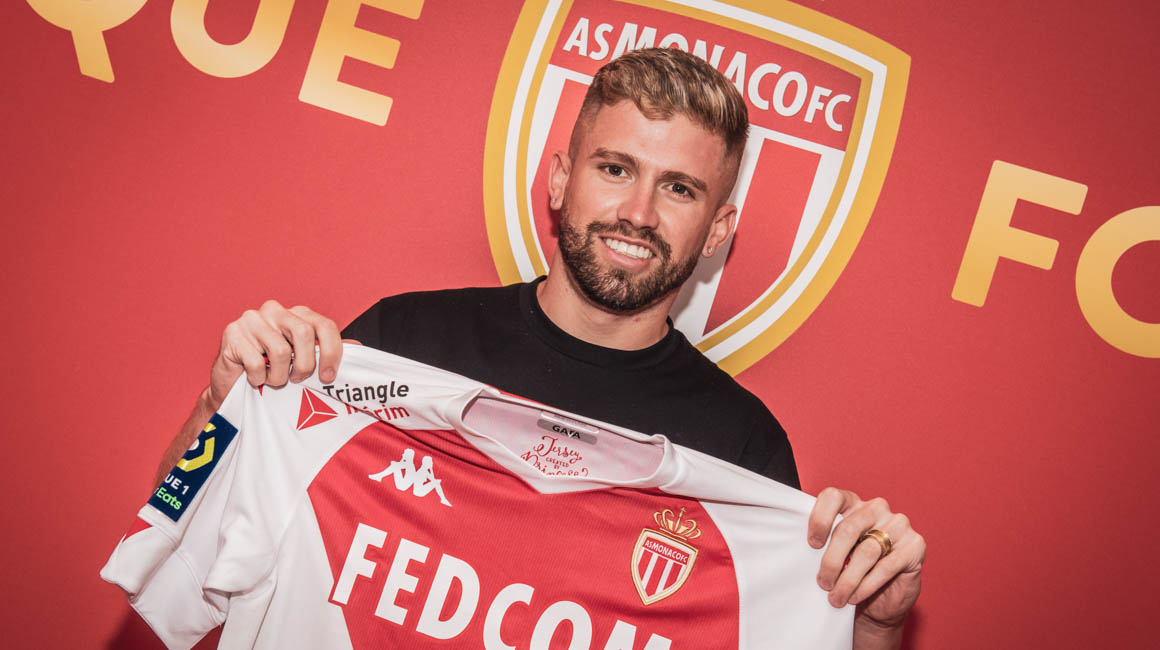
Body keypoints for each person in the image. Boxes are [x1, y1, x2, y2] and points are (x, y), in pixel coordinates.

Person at [156, 48, 924, 648]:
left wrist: (874, 623)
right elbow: (174, 522)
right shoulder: (398, 344)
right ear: (559, 180)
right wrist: (218, 410)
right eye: (615, 169)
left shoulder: (744, 450)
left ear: (718, 229)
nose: (638, 213)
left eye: (679, 189)